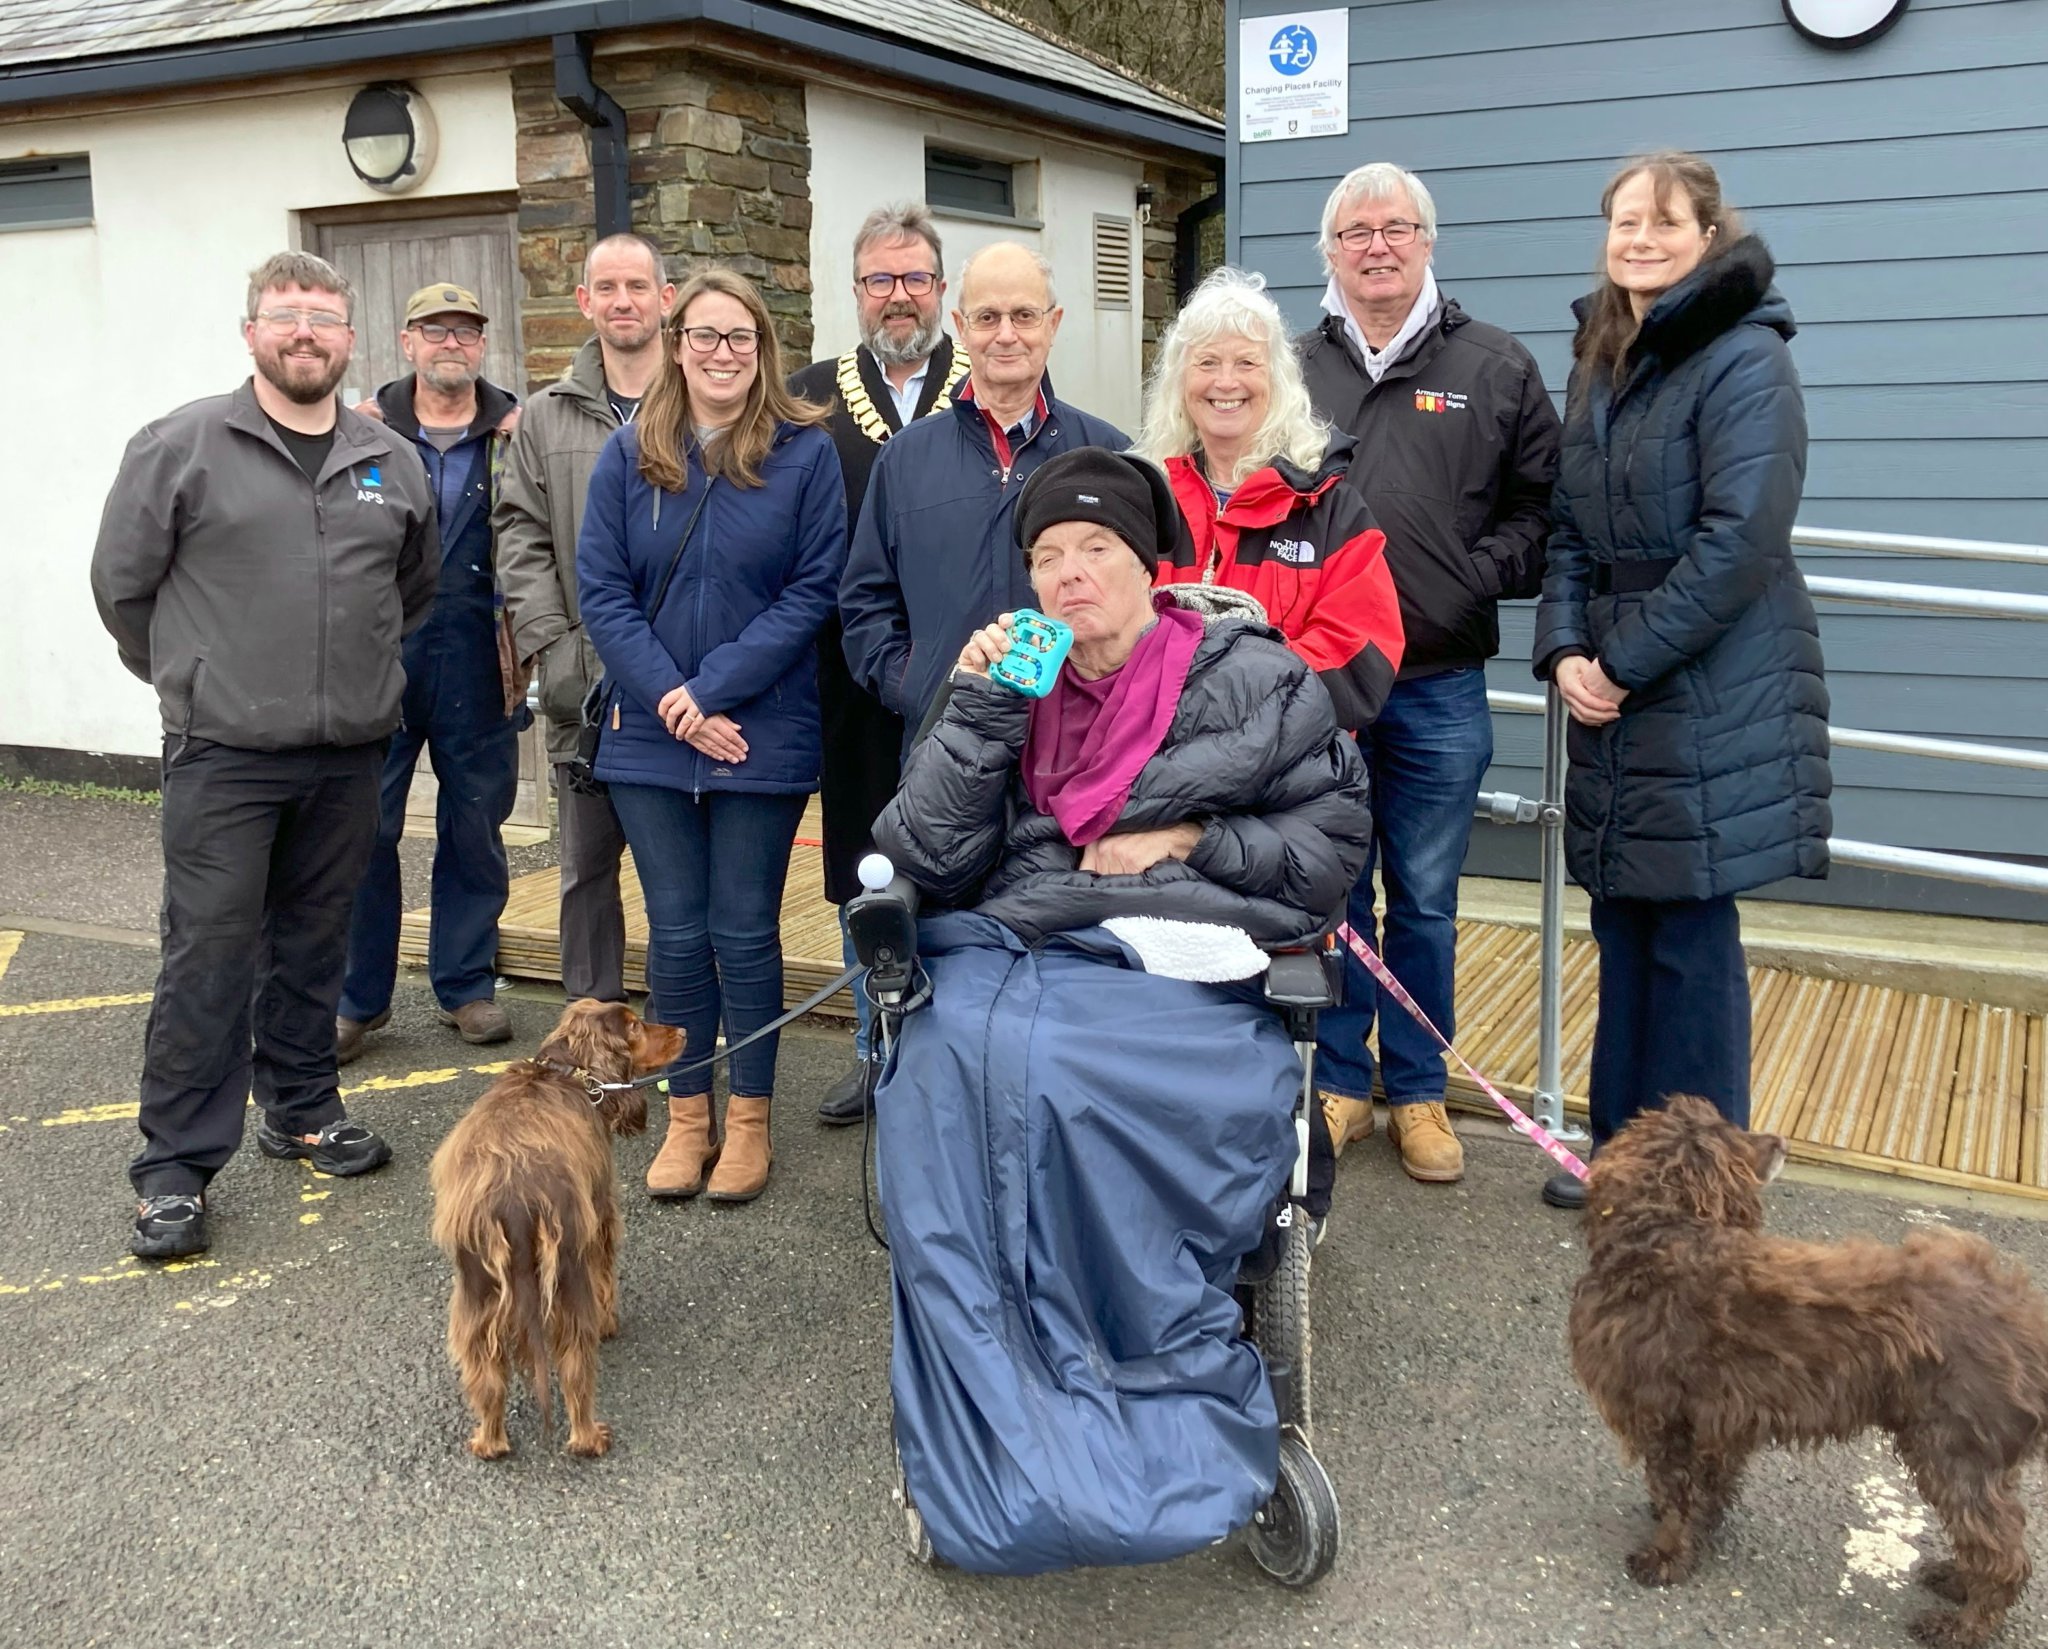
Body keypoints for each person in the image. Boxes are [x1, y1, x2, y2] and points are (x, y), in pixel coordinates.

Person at [867, 446, 1371, 1571]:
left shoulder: (1248, 674)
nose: (1067, 574)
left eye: (1094, 548)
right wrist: (983, 708)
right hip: (1023, 932)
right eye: (1046, 555)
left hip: (1186, 952)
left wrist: (1193, 836)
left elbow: (1330, 849)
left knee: (1058, 1083)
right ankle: (991, 1412)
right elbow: (925, 851)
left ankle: (1147, 1400)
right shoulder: (1013, 673)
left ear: (1149, 564)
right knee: (947, 1060)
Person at [91, 251, 438, 1258]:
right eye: (285, 316)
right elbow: (124, 588)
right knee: (208, 951)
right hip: (225, 755)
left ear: (349, 340)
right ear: (250, 331)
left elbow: (409, 591)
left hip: (346, 754)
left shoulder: (390, 458)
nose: (305, 333)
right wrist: (197, 676)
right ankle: (174, 1165)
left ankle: (300, 1107)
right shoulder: (182, 446)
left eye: (323, 318)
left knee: (313, 939)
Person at [1532, 152, 1829, 1211]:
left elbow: (1739, 540)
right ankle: (1622, 1159)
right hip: (1614, 678)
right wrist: (1564, 649)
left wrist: (1618, 659)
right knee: (1624, 922)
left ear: (1707, 235)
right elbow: (1569, 528)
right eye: (1622, 222)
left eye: (1661, 222)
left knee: (1692, 938)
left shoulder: (1745, 359)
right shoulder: (1602, 359)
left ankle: (1698, 1186)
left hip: (1706, 681)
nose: (1638, 240)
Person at [1299, 162, 1562, 1185]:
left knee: (1424, 900)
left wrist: (1467, 579)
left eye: (1395, 228)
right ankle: (1336, 1080)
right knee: (1327, 892)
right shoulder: (1288, 367)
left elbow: (1541, 513)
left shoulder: (1494, 365)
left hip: (1438, 682)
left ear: (1426, 243)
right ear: (1328, 251)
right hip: (1319, 686)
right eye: (1355, 230)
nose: (1375, 245)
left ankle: (1414, 1089)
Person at [576, 268, 846, 1205]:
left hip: (758, 731)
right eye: (705, 335)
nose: (721, 353)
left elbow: (816, 589)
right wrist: (672, 699)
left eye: (740, 337)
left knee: (745, 930)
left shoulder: (805, 453)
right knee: (678, 936)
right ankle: (687, 1113)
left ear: (762, 349)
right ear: (676, 340)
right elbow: (601, 592)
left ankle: (750, 1120)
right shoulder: (627, 453)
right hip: (653, 737)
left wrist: (714, 688)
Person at [788, 202, 966, 1124]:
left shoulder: (989, 383)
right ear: (856, 291)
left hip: (967, 676)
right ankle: (875, 1044)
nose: (899, 297)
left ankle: (957, 1053)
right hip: (852, 678)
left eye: (916, 279)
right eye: (880, 281)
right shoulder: (807, 396)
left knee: (968, 861)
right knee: (865, 865)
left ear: (942, 287)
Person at [336, 282, 524, 1064]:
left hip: (480, 652)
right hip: (380, 654)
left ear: (482, 346)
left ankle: (466, 984)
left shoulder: (517, 432)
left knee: (475, 824)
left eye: (466, 331)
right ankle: (356, 996)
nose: (452, 342)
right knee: (363, 826)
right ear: (405, 341)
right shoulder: (359, 433)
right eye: (434, 329)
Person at [839, 241, 1128, 744]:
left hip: (1078, 749)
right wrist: (915, 686)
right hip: (943, 741)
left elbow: (1138, 603)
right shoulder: (905, 460)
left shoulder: (1106, 458)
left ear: (1054, 324)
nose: (1007, 335)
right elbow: (865, 602)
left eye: (1024, 315)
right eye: (988, 317)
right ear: (961, 325)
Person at [496, 232, 677, 1008]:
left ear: (666, 298)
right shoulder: (544, 416)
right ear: (585, 302)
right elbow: (518, 531)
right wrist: (555, 648)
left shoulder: (702, 395)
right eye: (607, 287)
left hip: (682, 688)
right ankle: (592, 1033)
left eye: (638, 286)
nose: (624, 301)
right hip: (588, 692)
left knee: (680, 883)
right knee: (586, 873)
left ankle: (682, 1029)